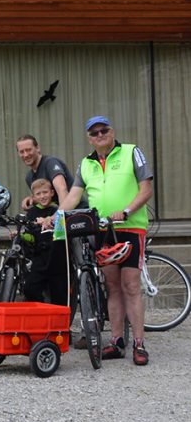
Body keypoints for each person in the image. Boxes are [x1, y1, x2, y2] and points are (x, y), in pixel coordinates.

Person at [60, 116, 154, 365]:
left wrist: (126, 210)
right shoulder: (86, 164)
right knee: (112, 286)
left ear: (112, 131)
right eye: (94, 133)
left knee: (131, 285)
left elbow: (146, 189)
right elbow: (73, 197)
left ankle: (139, 344)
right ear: (89, 138)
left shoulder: (131, 152)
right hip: (101, 229)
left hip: (130, 227)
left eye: (104, 130)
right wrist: (55, 217)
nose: (100, 135)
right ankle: (116, 341)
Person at [23, 178, 68, 306]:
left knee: (59, 293)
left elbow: (63, 231)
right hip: (39, 257)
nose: (42, 196)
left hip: (57, 257)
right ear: (33, 197)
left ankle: (60, 324)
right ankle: (40, 312)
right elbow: (29, 236)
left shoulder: (58, 210)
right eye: (38, 194)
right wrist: (22, 234)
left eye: (45, 192)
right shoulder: (31, 213)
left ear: (52, 193)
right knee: (30, 288)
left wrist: (49, 221)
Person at [16, 134, 74, 210]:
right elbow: (47, 200)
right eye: (21, 152)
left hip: (77, 213)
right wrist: (32, 200)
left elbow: (62, 190)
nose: (26, 155)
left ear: (38, 148)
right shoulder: (29, 177)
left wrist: (59, 217)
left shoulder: (50, 163)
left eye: (28, 150)